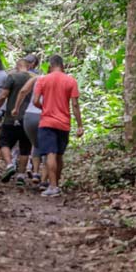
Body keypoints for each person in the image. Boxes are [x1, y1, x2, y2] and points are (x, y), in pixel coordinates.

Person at [32, 55, 84, 197]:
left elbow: (35, 100)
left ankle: (53, 186)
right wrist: (80, 125)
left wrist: (45, 108)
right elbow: (75, 104)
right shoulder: (70, 81)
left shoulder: (42, 79)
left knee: (50, 153)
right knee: (59, 155)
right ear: (62, 65)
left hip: (47, 122)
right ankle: (57, 184)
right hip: (63, 123)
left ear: (50, 65)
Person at [0, 57, 33, 185]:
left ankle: (10, 164)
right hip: (27, 117)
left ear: (17, 66)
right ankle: (21, 175)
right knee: (25, 147)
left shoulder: (12, 77)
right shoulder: (34, 78)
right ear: (29, 67)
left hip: (11, 117)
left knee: (3, 141)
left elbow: (3, 95)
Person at [14, 54, 44, 185]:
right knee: (35, 144)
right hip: (40, 113)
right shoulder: (39, 77)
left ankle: (19, 167)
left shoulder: (14, 75)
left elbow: (22, 92)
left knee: (22, 142)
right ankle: (34, 169)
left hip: (27, 112)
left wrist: (15, 107)